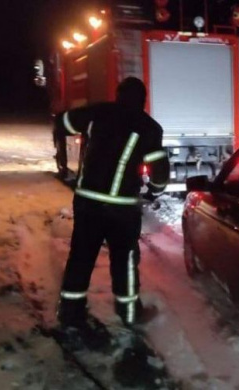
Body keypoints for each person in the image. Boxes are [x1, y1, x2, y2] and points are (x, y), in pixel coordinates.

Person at [53, 77, 170, 327]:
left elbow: (63, 122)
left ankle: (70, 312)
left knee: (81, 256)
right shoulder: (149, 127)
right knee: (124, 258)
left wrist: (63, 119)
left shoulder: (98, 112)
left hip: (88, 202)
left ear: (118, 95)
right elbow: (159, 172)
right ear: (143, 100)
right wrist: (154, 191)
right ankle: (128, 314)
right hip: (122, 207)